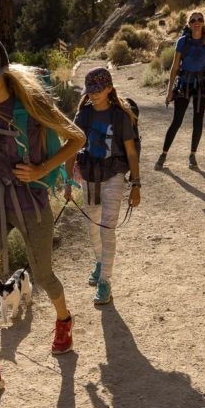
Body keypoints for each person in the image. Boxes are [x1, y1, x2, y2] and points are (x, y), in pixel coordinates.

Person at [0, 35, 86, 404]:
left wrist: (42, 169)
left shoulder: (32, 101)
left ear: (4, 72)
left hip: (31, 201)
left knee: (43, 275)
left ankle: (63, 320)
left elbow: (76, 137)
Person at [67, 66, 142, 305]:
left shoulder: (120, 116)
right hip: (90, 177)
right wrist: (68, 181)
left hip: (113, 176)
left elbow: (131, 152)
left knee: (106, 229)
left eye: (98, 90)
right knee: (92, 226)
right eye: (90, 90)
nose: (93, 94)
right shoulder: (83, 115)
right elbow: (71, 147)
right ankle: (100, 262)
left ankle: (105, 282)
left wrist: (136, 184)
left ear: (109, 88)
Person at [156, 12, 205, 171]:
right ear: (189, 24)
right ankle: (163, 154)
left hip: (201, 85)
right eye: (193, 20)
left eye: (199, 19)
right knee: (177, 121)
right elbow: (175, 67)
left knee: (198, 121)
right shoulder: (183, 41)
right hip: (183, 84)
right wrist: (169, 90)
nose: (196, 22)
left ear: (203, 22)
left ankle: (192, 155)